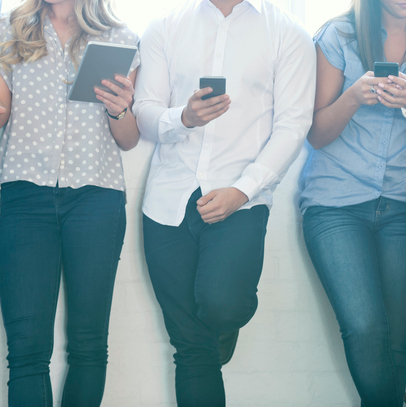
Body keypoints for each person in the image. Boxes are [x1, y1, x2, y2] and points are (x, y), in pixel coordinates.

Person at [133, 0, 314, 405]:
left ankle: (223, 324)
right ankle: (209, 336)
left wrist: (244, 189)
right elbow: (144, 110)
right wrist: (184, 118)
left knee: (222, 305)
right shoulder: (165, 25)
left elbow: (293, 123)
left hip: (241, 199)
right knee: (192, 349)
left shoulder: (289, 33)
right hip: (167, 202)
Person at [298, 0, 406, 405]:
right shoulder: (337, 35)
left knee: (394, 342)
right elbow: (317, 134)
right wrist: (354, 96)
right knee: (364, 328)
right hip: (335, 201)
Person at [0, 0, 138, 405]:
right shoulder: (9, 28)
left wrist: (120, 109)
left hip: (97, 196)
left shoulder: (120, 38)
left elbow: (129, 139)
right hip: (26, 197)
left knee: (88, 344)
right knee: (26, 348)